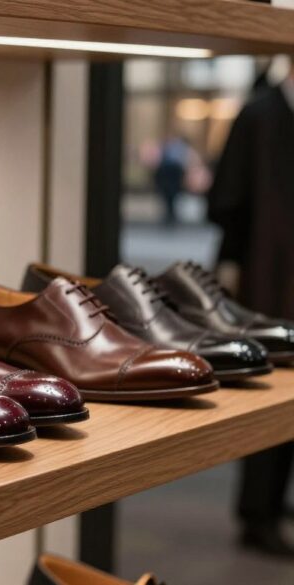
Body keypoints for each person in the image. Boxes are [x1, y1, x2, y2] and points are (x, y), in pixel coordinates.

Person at [207, 64, 294, 557]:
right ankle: (257, 511)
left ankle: (274, 502)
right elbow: (226, 200)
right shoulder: (259, 115)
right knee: (269, 391)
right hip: (267, 281)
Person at [155, 135, 190, 224]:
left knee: (170, 198)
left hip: (171, 178)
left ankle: (170, 214)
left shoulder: (174, 151)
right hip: (170, 177)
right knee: (170, 198)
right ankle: (170, 214)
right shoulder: (175, 150)